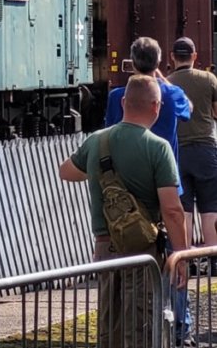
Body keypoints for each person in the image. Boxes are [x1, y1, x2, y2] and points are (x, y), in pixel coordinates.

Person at [60, 74, 188, 348]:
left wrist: (97, 170)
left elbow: (66, 171)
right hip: (143, 252)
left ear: (122, 101)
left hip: (105, 251)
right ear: (156, 107)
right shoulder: (158, 148)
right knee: (141, 327)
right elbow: (173, 210)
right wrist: (181, 256)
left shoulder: (97, 142)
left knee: (109, 325)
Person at [105, 37, 191, 188]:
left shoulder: (116, 96)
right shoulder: (172, 94)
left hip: (127, 180)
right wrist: (163, 79)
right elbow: (189, 108)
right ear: (158, 62)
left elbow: (109, 133)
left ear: (133, 62)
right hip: (165, 179)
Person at [169, 37, 217, 253]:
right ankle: (214, 260)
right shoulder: (209, 79)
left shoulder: (167, 83)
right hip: (206, 151)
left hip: (178, 154)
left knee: (184, 210)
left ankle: (184, 261)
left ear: (172, 57)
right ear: (195, 56)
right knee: (210, 208)